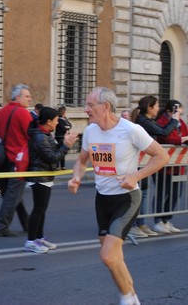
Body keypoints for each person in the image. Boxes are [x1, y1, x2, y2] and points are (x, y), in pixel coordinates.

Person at [68, 87, 169, 305]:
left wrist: (136, 175)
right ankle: (132, 298)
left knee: (107, 255)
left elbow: (162, 156)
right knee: (114, 258)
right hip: (102, 200)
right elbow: (81, 161)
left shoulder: (131, 130)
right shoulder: (91, 131)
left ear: (105, 107)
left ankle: (127, 298)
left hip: (127, 198)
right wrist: (76, 177)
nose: (86, 110)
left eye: (90, 105)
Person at [25, 107, 78, 253]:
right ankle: (30, 241)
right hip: (39, 176)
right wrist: (66, 145)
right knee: (38, 209)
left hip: (45, 175)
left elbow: (54, 152)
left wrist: (64, 143)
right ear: (48, 121)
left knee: (42, 209)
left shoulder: (45, 134)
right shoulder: (40, 137)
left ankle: (39, 238)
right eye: (55, 121)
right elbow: (53, 157)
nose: (57, 123)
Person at [127, 95, 179, 238]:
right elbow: (163, 132)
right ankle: (132, 225)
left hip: (142, 163)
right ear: (149, 108)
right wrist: (175, 119)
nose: (158, 108)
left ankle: (140, 223)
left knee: (142, 193)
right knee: (137, 194)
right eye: (156, 106)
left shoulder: (148, 120)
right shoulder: (143, 121)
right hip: (136, 163)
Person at [0, 84, 31, 237]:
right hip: (18, 160)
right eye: (27, 96)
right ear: (18, 97)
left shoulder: (2, 111)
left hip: (2, 158)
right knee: (12, 195)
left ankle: (27, 223)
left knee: (13, 194)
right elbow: (30, 135)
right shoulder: (23, 113)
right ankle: (2, 227)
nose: (30, 99)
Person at [153, 99, 188, 234]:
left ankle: (166, 220)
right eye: (178, 112)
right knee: (162, 193)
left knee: (175, 194)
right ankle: (158, 221)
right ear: (170, 111)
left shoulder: (180, 122)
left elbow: (185, 134)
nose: (179, 116)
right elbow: (167, 139)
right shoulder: (162, 122)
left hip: (179, 165)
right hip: (163, 166)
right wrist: (184, 138)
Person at [54, 105, 72, 170]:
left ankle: (62, 166)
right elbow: (63, 127)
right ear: (63, 112)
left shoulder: (64, 119)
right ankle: (57, 166)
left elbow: (70, 125)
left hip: (64, 136)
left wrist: (67, 125)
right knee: (59, 151)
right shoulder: (59, 119)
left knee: (63, 152)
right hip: (59, 137)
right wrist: (67, 127)